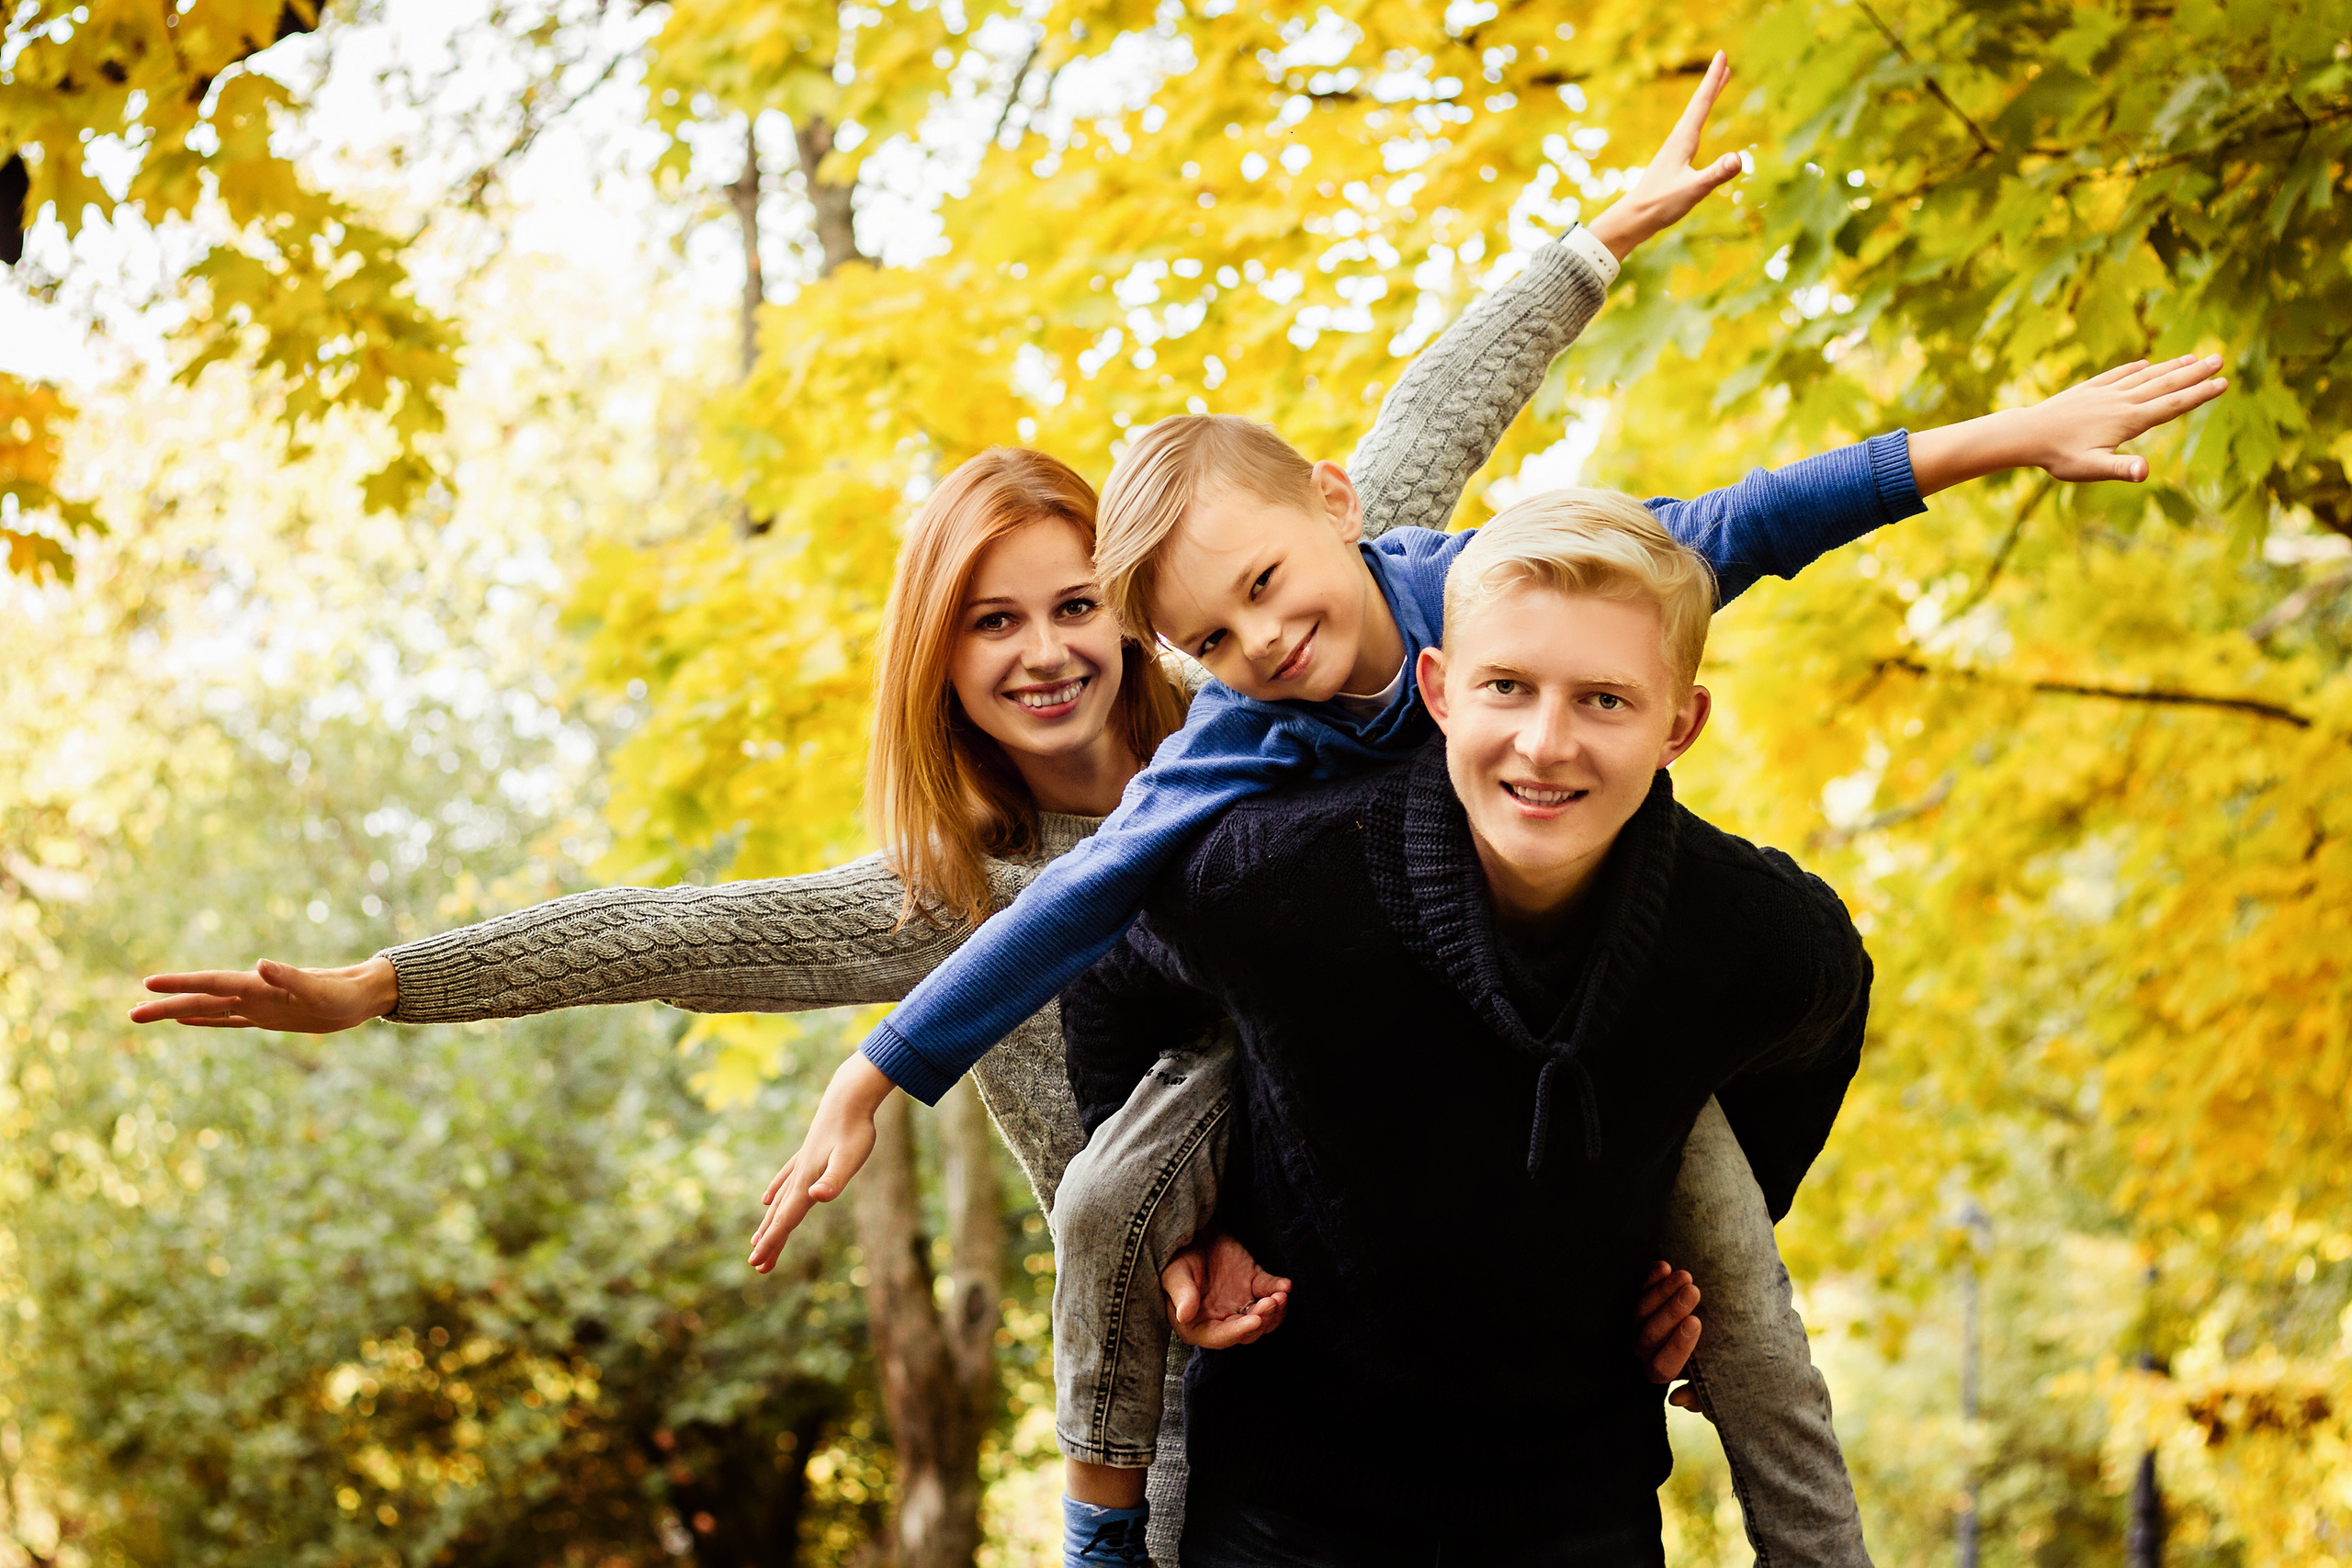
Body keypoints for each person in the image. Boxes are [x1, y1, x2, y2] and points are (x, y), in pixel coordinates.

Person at [128, 62, 1785, 1562]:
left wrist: (1586, 248)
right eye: (992, 624)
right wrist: (388, 981)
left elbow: (1428, 425)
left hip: (1491, 1306)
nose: (1047, 649)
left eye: (1074, 604)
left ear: (1141, 611)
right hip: (1233, 1388)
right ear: (939, 665)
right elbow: (666, 934)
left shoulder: (1271, 683)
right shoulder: (953, 900)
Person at [1061, 491, 1872, 1564]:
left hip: (1578, 1519)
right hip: (1284, 1514)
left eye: (1604, 701)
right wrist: (1192, 1225)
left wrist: (1683, 1245)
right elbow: (1109, 966)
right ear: (1439, 691)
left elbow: (1824, 1016)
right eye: (1507, 688)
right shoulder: (1277, 878)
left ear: (1679, 724)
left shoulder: (1754, 934)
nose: (1546, 745)